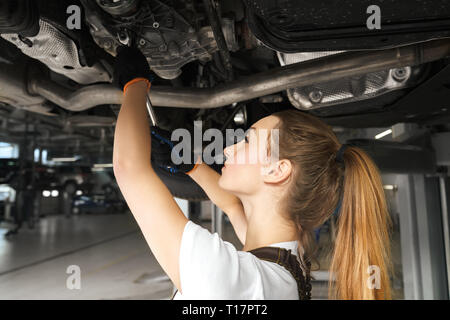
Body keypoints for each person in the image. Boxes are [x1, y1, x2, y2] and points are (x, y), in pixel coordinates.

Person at [112, 47, 393, 300]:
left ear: (277, 170)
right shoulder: (282, 261)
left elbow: (129, 168)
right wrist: (192, 165)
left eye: (248, 140)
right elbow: (232, 207)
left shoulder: (237, 278)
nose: (229, 149)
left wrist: (135, 84)